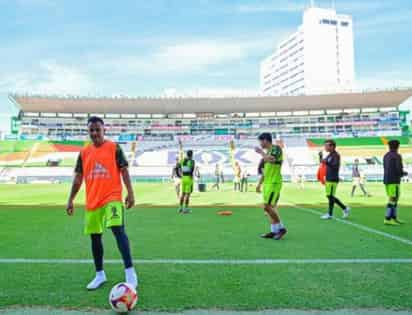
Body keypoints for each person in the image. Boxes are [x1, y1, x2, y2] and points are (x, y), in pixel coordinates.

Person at [66, 116, 138, 290]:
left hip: (112, 197)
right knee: (95, 237)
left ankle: (130, 272)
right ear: (88, 131)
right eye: (91, 130)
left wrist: (130, 192)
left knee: (118, 230)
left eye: (98, 129)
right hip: (93, 201)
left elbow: (124, 170)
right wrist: (70, 199)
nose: (95, 133)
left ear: (104, 130)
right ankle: (100, 274)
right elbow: (77, 178)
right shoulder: (84, 153)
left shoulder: (114, 147)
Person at [255, 133, 287, 240]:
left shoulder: (276, 149)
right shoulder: (268, 152)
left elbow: (272, 160)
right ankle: (274, 231)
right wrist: (259, 184)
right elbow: (265, 172)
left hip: (274, 182)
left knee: (267, 207)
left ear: (265, 140)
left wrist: (261, 153)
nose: (260, 144)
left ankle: (281, 228)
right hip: (267, 183)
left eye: (260, 141)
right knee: (268, 209)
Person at [320, 140, 350, 220]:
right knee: (329, 196)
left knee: (330, 196)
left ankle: (332, 213)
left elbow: (335, 166)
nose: (325, 147)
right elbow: (323, 162)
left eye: (327, 145)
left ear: (332, 146)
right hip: (329, 178)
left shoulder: (336, 155)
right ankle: (344, 208)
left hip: (333, 178)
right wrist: (321, 157)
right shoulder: (329, 155)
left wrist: (326, 162)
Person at [383, 140, 408, 225]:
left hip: (387, 180)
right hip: (394, 180)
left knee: (393, 199)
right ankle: (387, 218)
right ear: (398, 146)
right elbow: (398, 168)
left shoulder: (386, 155)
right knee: (393, 199)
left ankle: (394, 218)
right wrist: (403, 173)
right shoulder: (397, 156)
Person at [178, 140, 195, 214]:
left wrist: (181, 146)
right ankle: (186, 209)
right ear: (191, 155)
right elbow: (191, 170)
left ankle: (180, 208)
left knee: (183, 194)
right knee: (188, 194)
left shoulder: (182, 161)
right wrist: (191, 177)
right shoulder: (191, 161)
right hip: (188, 178)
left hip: (183, 178)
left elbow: (179, 166)